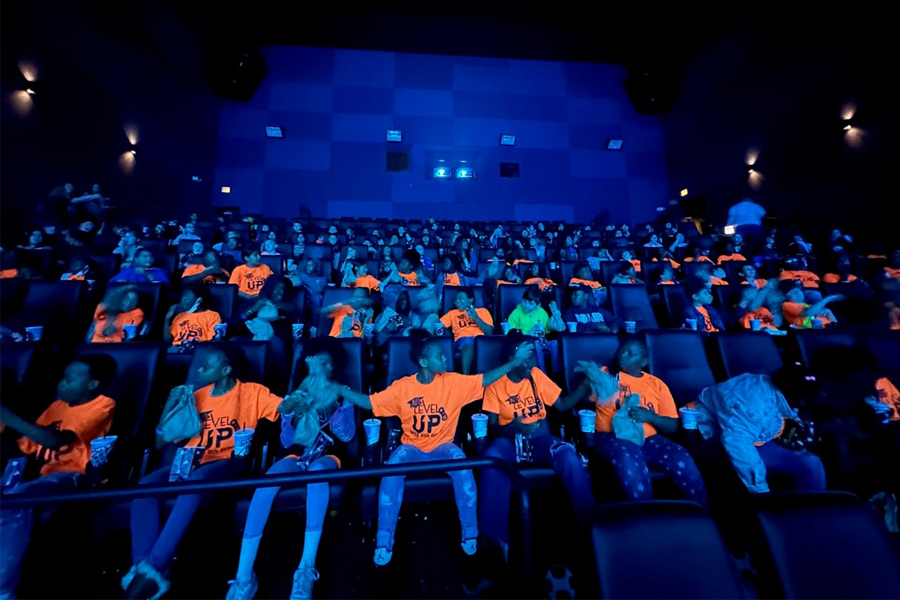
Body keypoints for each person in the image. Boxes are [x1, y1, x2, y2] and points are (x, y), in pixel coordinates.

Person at [323, 332, 534, 565]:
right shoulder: (402, 388)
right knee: (391, 470)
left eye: (443, 355)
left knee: (463, 467)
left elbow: (484, 379)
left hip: (444, 446)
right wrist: (341, 390)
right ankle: (384, 539)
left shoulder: (454, 382)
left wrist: (515, 362)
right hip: (411, 446)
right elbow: (370, 403)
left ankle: (470, 532)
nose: (445, 359)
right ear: (423, 362)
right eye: (439, 356)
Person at [122, 347, 283, 600]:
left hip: (227, 462)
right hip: (187, 464)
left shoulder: (251, 392)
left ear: (226, 370)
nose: (198, 370)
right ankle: (143, 567)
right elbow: (160, 443)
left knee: (195, 481)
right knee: (145, 486)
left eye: (206, 366)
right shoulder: (194, 396)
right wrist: (170, 407)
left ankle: (156, 564)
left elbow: (284, 409)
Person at [225, 339, 355, 600]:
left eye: (328, 363)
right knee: (267, 483)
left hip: (329, 455)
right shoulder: (295, 394)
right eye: (319, 362)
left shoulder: (344, 392)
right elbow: (286, 442)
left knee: (317, 474)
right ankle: (244, 575)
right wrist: (294, 414)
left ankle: (306, 568)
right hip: (297, 455)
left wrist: (331, 405)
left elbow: (348, 435)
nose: (324, 368)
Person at [0, 355, 117, 599]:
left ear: (92, 385)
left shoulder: (103, 405)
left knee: (17, 499)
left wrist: (8, 417)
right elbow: (25, 445)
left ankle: (4, 589)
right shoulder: (57, 407)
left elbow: (55, 440)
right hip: (39, 476)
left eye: (69, 379)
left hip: (72, 477)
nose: (61, 383)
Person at [478, 333, 597, 563]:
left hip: (540, 438)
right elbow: (493, 428)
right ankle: (494, 544)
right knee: (492, 459)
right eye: (528, 358)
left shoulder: (536, 376)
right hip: (509, 441)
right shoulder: (496, 384)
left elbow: (562, 405)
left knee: (567, 454)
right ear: (513, 357)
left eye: (534, 358)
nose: (533, 363)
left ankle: (591, 526)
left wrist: (584, 386)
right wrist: (514, 427)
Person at [580, 340, 708, 504]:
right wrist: (594, 380)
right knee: (631, 459)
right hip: (612, 436)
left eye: (630, 353)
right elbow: (584, 401)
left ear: (644, 362)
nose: (623, 355)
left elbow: (672, 425)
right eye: (622, 351)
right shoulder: (607, 374)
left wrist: (651, 417)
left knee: (682, 458)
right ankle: (644, 517)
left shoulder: (656, 384)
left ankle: (700, 515)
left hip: (649, 439)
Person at [439, 289, 494, 374]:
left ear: (471, 300)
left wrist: (476, 318)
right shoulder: (452, 313)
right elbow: (439, 326)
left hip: (480, 341)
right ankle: (466, 377)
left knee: (479, 343)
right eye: (456, 299)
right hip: (461, 341)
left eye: (461, 299)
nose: (457, 302)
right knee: (468, 343)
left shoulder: (483, 311)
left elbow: (489, 332)